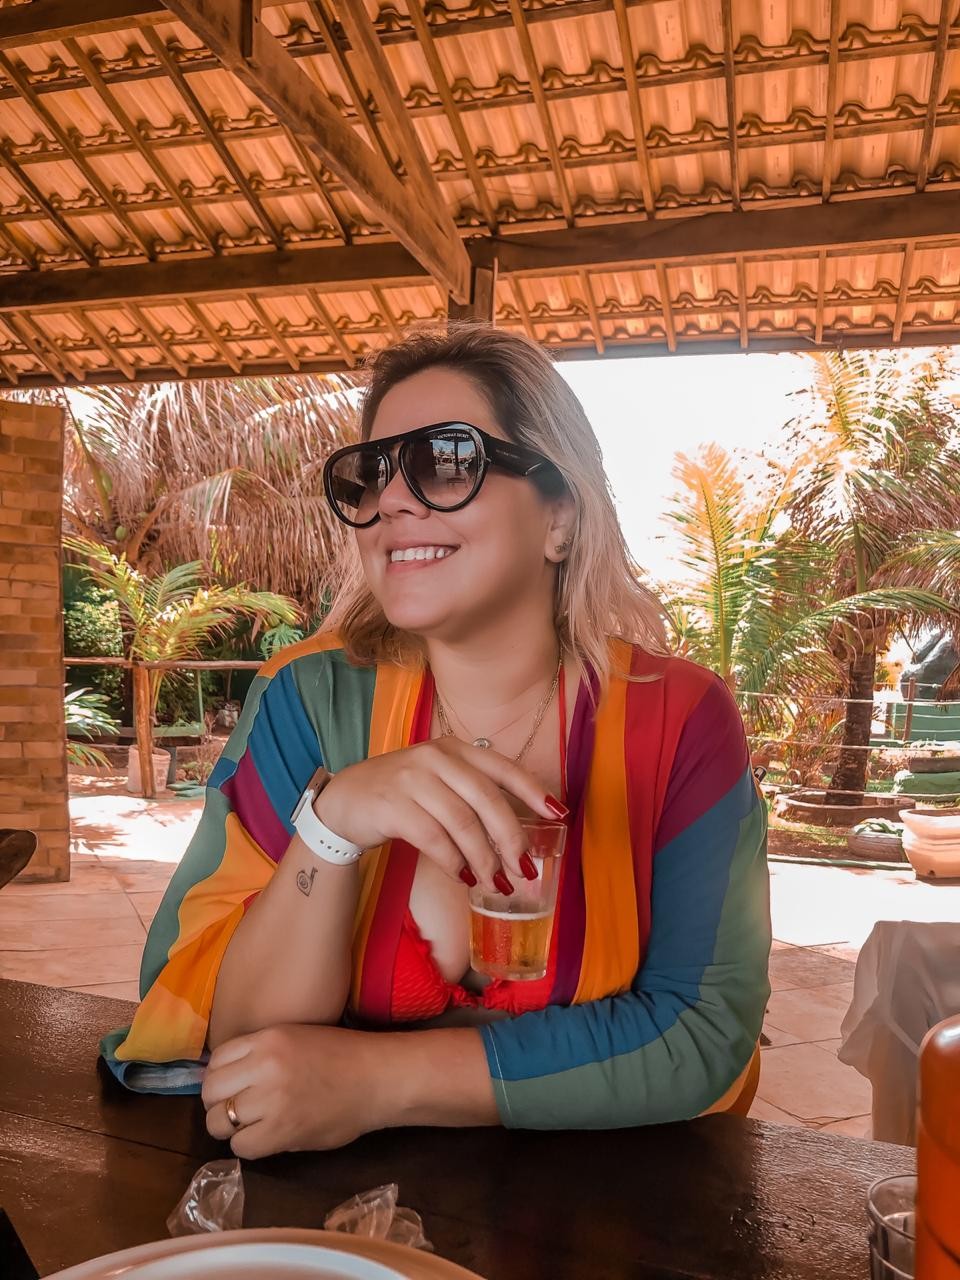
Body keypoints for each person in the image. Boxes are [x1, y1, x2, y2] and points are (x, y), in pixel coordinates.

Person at [102, 324, 771, 1159]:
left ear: (560, 517)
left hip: (614, 1202)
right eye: (369, 475)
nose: (390, 502)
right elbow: (240, 1039)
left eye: (447, 462)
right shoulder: (310, 700)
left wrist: (376, 1081)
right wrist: (335, 823)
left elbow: (702, 1032)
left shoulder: (680, 720)